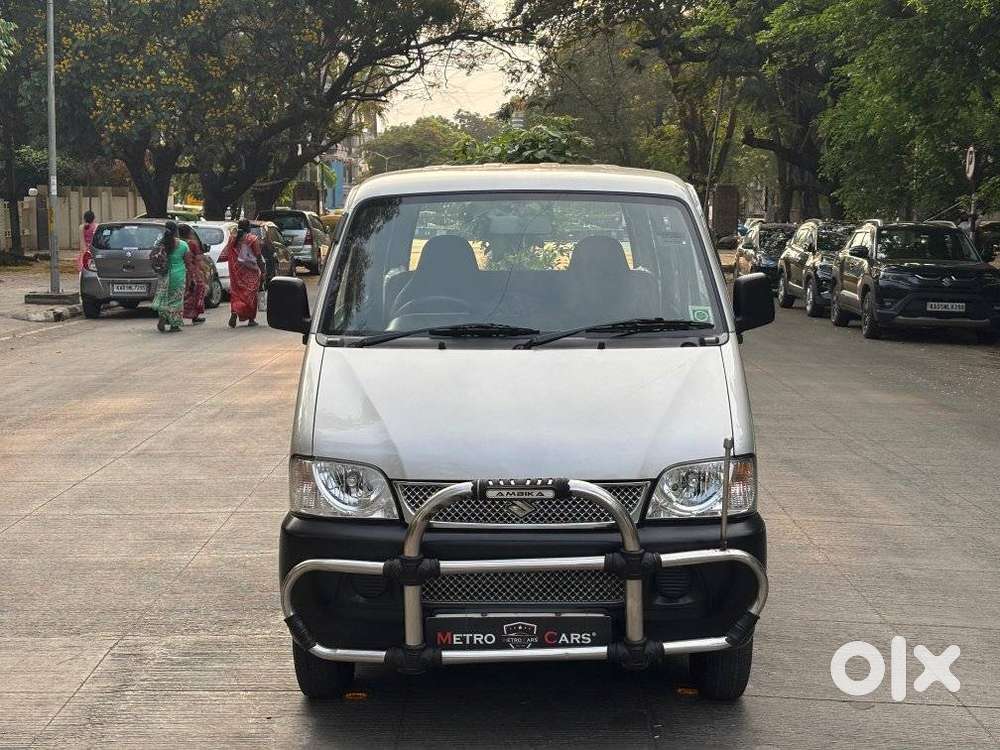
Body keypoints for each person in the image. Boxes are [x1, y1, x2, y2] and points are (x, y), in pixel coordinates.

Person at [220, 218, 263, 327]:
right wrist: (262, 270)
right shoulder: (252, 239)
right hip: (250, 271)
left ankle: (235, 311)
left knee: (237, 293)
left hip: (236, 271)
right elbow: (258, 255)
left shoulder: (232, 239)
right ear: (248, 227)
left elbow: (226, 254)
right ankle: (251, 319)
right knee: (251, 293)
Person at [151, 220, 189, 333]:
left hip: (164, 274)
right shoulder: (183, 245)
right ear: (176, 231)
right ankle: (174, 324)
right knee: (176, 299)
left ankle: (163, 316)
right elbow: (188, 261)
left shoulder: (159, 243)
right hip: (178, 274)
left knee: (164, 297)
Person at [179, 224, 207, 324]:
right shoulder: (192, 244)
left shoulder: (177, 243)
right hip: (192, 271)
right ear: (189, 233)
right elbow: (198, 259)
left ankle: (178, 315)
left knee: (182, 293)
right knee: (196, 290)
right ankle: (194, 316)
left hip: (180, 270)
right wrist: (203, 271)